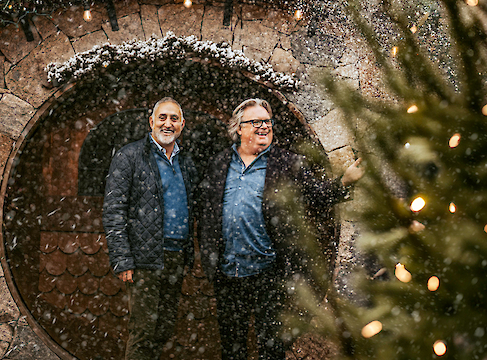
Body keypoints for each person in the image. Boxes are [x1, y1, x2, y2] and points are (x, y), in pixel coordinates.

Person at [198, 98, 363, 359]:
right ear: (238, 128)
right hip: (228, 275)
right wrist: (210, 259)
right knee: (232, 348)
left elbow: (317, 196)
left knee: (272, 348)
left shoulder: (289, 163)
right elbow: (207, 212)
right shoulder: (219, 164)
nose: (264, 126)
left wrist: (344, 182)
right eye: (256, 122)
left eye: (267, 122)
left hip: (270, 275)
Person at [102, 97, 197, 360]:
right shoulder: (129, 156)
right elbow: (113, 211)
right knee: (143, 332)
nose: (168, 124)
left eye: (174, 119)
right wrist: (122, 258)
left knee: (164, 329)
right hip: (144, 259)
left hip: (175, 256)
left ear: (182, 124)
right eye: (163, 117)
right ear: (151, 121)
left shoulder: (186, 162)